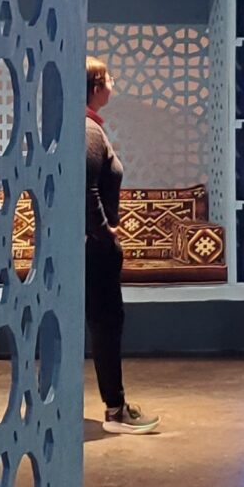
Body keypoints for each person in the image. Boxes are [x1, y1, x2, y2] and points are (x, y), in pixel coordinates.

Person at [85, 58, 156, 434]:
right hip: (94, 250)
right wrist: (105, 231)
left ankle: (115, 406)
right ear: (96, 86)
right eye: (109, 77)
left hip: (90, 247)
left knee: (103, 323)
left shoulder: (88, 127)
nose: (113, 83)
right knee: (107, 324)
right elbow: (88, 189)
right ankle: (116, 411)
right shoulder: (89, 132)